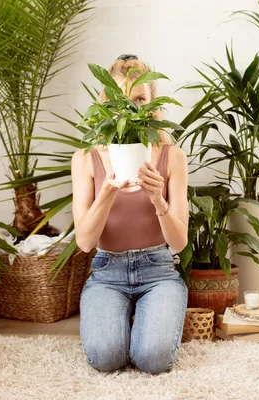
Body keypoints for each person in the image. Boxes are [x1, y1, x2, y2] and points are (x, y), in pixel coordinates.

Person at [71, 54, 189, 374]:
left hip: (159, 272)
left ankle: (148, 316)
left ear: (151, 104)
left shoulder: (172, 157)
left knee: (153, 359)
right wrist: (108, 191)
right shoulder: (85, 158)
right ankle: (126, 316)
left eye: (139, 99)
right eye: (122, 99)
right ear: (107, 103)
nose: (131, 107)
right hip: (107, 273)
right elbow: (84, 242)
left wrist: (157, 198)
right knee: (107, 358)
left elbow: (178, 244)